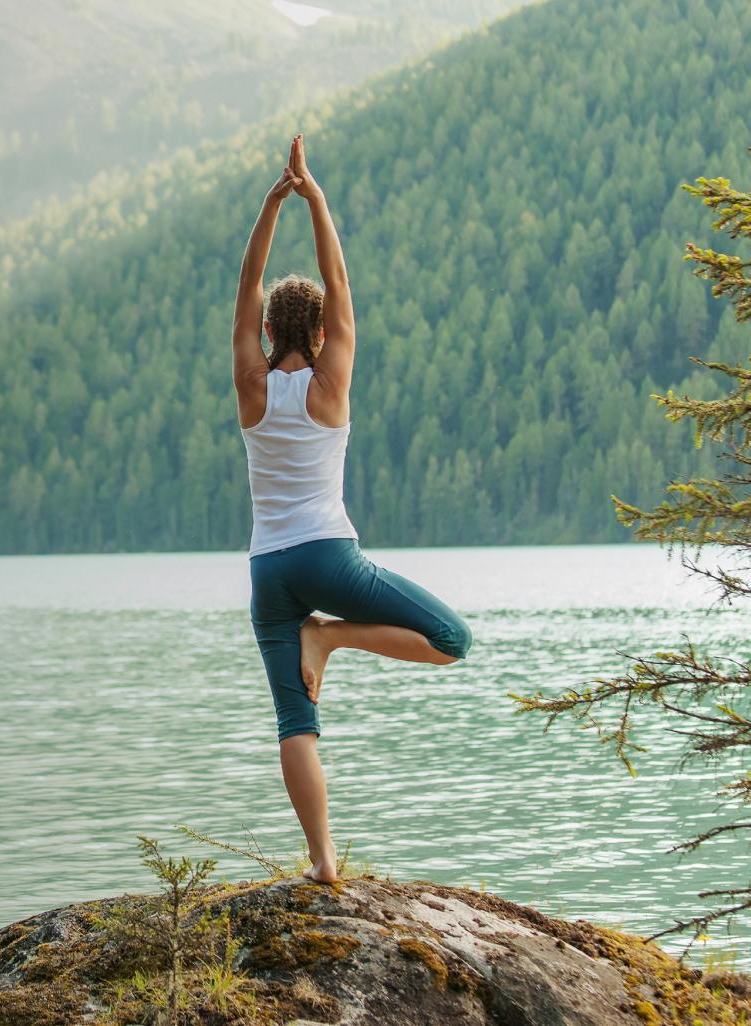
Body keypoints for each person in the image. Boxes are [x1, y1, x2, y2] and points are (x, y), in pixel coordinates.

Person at [231, 134, 474, 885]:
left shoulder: (251, 383)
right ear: (326, 331)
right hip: (328, 557)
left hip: (268, 570)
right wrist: (318, 200)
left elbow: (247, 285)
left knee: (293, 724)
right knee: (450, 638)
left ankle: (322, 861)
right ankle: (330, 640)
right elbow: (337, 280)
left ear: (269, 333)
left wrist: (270, 204)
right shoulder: (330, 382)